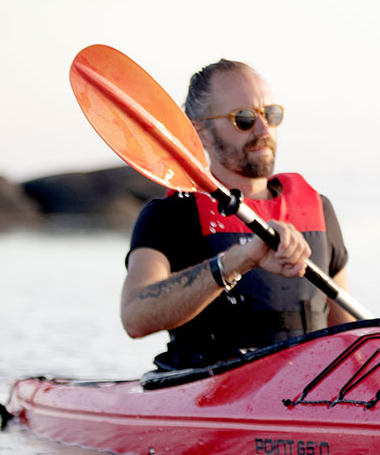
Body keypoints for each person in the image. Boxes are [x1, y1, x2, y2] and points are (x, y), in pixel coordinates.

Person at [121, 59, 352, 370]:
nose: (263, 129)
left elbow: (349, 338)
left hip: (308, 392)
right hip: (209, 395)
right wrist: (236, 261)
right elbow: (135, 316)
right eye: (243, 118)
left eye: (271, 114)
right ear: (200, 131)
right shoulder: (171, 215)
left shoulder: (318, 209)